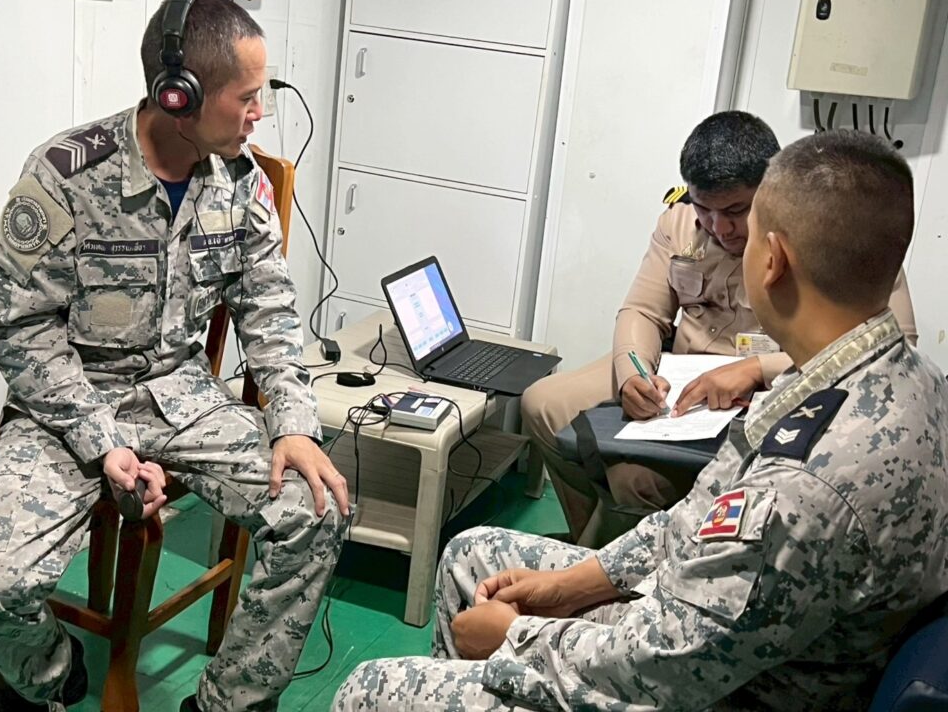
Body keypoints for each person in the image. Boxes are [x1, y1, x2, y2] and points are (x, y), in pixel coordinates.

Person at [332, 130, 948, 711]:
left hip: (719, 688)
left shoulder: (804, 488)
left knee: (370, 688)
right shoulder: (895, 379)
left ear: (773, 260)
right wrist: (574, 583)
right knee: (472, 555)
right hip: (717, 640)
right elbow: (695, 521)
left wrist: (515, 639)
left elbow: (663, 667)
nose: (723, 232)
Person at [0, 0, 349, 712]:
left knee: (318, 510)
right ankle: (51, 678)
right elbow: (20, 330)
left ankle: (226, 705)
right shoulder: (66, 177)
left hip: (182, 401)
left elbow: (271, 311)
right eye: (247, 97)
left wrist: (293, 425)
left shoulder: (239, 182)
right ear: (178, 95)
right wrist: (101, 443)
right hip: (67, 408)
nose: (260, 113)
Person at [523, 111, 917, 546]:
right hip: (680, 375)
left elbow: (890, 344)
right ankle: (588, 541)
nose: (719, 227)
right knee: (544, 404)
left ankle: (617, 555)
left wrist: (756, 369)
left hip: (774, 384)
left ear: (770, 192)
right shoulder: (678, 223)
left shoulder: (823, 234)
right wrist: (633, 373)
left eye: (735, 211)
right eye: (704, 208)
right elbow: (642, 311)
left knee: (635, 479)